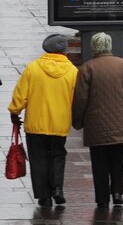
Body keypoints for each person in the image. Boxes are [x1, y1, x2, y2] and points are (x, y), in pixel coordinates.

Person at [72, 33, 123, 209]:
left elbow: (80, 100)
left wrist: (77, 121)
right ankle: (118, 193)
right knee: (117, 160)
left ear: (93, 47)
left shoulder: (86, 68)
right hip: (120, 125)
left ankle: (102, 199)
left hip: (96, 126)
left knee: (99, 164)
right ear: (109, 46)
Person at [8, 34, 77, 208]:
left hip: (36, 124)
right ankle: (57, 189)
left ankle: (43, 196)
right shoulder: (73, 71)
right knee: (58, 155)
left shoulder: (33, 68)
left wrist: (15, 111)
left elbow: (21, 94)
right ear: (64, 50)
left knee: (38, 158)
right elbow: (78, 99)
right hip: (60, 124)